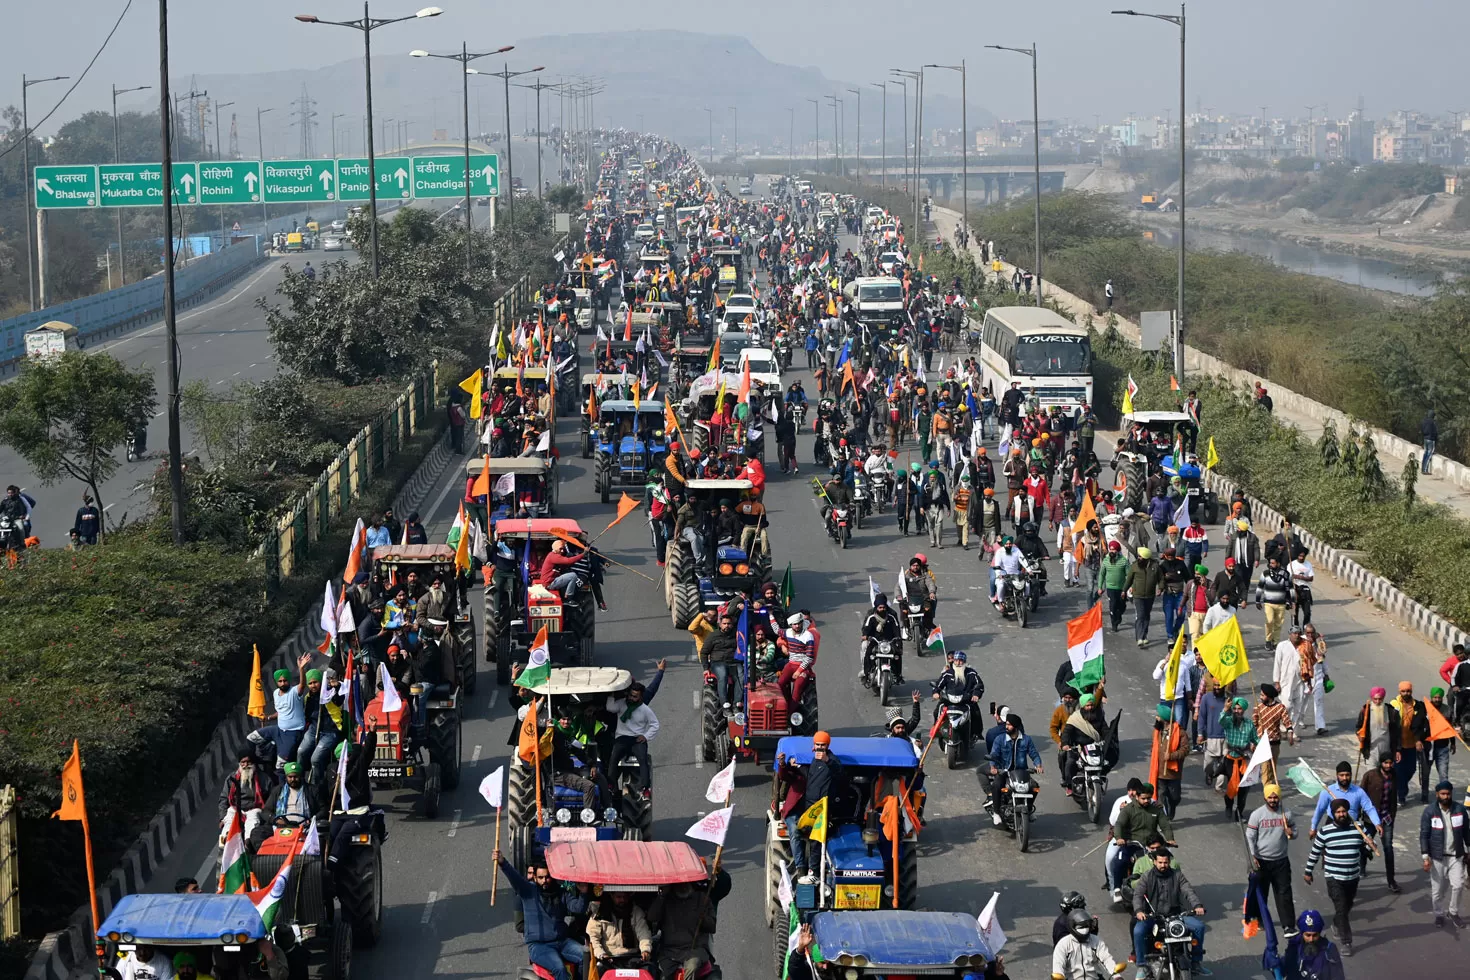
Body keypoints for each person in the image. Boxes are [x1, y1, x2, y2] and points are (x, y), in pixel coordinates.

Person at [494, 849, 585, 980]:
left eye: (547, 877)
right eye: (541, 878)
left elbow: (578, 908)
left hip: (563, 942)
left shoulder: (561, 892)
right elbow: (515, 878)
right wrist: (502, 862)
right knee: (558, 968)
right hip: (539, 946)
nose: (544, 881)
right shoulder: (528, 891)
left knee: (585, 957)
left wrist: (583, 893)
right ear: (535, 878)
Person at [777, 731, 847, 883]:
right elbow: (804, 776)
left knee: (817, 838)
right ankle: (801, 868)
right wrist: (793, 765)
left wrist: (828, 760)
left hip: (822, 809)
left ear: (827, 747)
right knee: (796, 832)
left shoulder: (832, 761)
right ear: (813, 746)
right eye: (818, 745)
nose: (820, 749)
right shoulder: (813, 763)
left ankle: (813, 872)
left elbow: (840, 774)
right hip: (805, 809)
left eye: (823, 746)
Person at [1130, 848, 1206, 979]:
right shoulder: (1147, 876)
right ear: (1154, 862)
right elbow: (1137, 895)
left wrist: (1197, 906)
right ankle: (1142, 965)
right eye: (1160, 862)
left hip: (1175, 916)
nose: (1163, 865)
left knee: (1199, 926)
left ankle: (1196, 962)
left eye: (1165, 862)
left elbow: (1188, 891)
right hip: (1153, 917)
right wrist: (1139, 911)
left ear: (1169, 862)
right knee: (1138, 931)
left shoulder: (1177, 875)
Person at [1303, 798, 1364, 957]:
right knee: (1341, 907)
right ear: (1333, 814)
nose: (1341, 814)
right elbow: (1315, 853)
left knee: (1347, 906)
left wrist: (1370, 843)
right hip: (1334, 877)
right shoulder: (1325, 832)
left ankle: (1338, 923)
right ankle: (1346, 942)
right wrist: (1308, 871)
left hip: (1353, 876)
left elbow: (1365, 846)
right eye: (1338, 812)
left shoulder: (1359, 828)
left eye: (1344, 811)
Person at [1246, 783, 1299, 933]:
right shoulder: (1257, 815)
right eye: (1270, 797)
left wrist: (1291, 832)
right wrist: (1253, 856)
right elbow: (1250, 836)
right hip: (1262, 861)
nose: (1273, 800)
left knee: (1284, 894)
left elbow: (1295, 832)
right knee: (1261, 894)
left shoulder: (1286, 814)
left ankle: (1288, 925)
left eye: (1276, 797)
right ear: (1265, 797)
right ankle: (1259, 920)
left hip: (1281, 861)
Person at [1420, 778, 1470, 927]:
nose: (1446, 797)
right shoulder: (1429, 812)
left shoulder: (1460, 810)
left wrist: (1469, 850)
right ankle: (1439, 914)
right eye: (1442, 794)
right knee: (1437, 892)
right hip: (1437, 858)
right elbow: (1424, 834)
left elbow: (1467, 833)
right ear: (1437, 795)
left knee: (1458, 885)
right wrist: (1425, 857)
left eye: (1448, 794)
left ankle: (1453, 912)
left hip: (1456, 856)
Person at [249, 654, 312, 767]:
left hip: (293, 733)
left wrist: (301, 669)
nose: (283, 683)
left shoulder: (294, 692)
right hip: (278, 730)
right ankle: (256, 763)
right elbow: (281, 712)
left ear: (289, 681)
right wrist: (267, 718)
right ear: (277, 682)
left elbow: (302, 685)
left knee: (281, 765)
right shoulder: (275, 694)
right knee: (251, 738)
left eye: (285, 680)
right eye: (280, 681)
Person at [987, 713, 1042, 826]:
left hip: (1021, 772)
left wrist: (1038, 765)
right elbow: (994, 754)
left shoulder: (1026, 740)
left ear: (1016, 727)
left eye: (1009, 725)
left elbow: (1034, 754)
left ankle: (1029, 809)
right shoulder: (1000, 739)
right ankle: (996, 813)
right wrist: (993, 767)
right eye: (1006, 724)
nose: (1006, 727)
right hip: (1004, 771)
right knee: (996, 786)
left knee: (1034, 787)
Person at [606, 682, 658, 794]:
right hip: (622, 737)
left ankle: (645, 788)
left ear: (640, 697)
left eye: (635, 696)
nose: (631, 698)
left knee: (643, 760)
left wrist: (646, 736)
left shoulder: (645, 710)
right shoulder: (621, 703)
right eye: (630, 695)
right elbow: (610, 708)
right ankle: (611, 784)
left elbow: (655, 724)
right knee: (613, 758)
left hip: (637, 740)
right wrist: (611, 694)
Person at [1360, 754, 1402, 892]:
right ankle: (1362, 867)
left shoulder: (1394, 775)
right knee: (1365, 844)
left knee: (1388, 849)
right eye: (1386, 763)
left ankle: (1391, 881)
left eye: (1390, 763)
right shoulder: (1370, 776)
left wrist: (1393, 815)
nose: (1388, 765)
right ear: (1381, 763)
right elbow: (1361, 794)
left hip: (1386, 817)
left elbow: (1394, 796)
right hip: (1370, 818)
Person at [1051, 907, 1124, 980]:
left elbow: (1106, 959)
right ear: (1072, 926)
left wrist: (1116, 975)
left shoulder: (1096, 940)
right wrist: (1059, 976)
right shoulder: (1063, 944)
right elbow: (1058, 965)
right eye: (1081, 926)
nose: (1084, 929)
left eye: (1086, 926)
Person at [586, 891, 654, 970]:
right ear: (611, 896)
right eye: (618, 897)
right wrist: (601, 954)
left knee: (649, 968)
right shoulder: (599, 913)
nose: (622, 900)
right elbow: (593, 938)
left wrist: (645, 950)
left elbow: (644, 933)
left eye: (625, 897)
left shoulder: (636, 911)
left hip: (633, 958)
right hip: (608, 959)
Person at [1390, 682, 1431, 803]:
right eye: (1403, 691)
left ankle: (1401, 788)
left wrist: (1418, 740)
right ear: (1399, 692)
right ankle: (1401, 795)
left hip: (1412, 744)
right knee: (1398, 770)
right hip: (1398, 744)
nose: (1406, 693)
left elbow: (1421, 724)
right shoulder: (1394, 705)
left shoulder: (1418, 706)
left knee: (1411, 769)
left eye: (1408, 691)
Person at [1277, 909, 1347, 980]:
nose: (1311, 939)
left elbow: (1338, 976)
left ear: (1319, 934)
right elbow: (1284, 969)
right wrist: (1276, 963)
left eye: (1315, 935)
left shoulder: (1329, 949)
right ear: (1302, 933)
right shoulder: (1294, 947)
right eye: (1308, 935)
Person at [1354, 686, 1401, 770]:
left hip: (1387, 749)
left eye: (1380, 699)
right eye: (1375, 699)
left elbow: (1397, 732)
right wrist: (1359, 735)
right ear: (1372, 698)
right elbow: (1358, 727)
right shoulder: (1366, 711)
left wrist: (1398, 750)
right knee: (1372, 775)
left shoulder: (1391, 711)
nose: (1378, 701)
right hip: (1371, 750)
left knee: (1385, 776)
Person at [862, 594, 904, 685]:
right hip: (876, 641)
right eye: (880, 607)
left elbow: (896, 629)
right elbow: (866, 628)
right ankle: (867, 675)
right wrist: (865, 635)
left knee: (897, 655)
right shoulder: (871, 617)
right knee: (868, 654)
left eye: (883, 607)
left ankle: (898, 675)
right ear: (876, 607)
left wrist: (898, 640)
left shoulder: (891, 616)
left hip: (889, 642)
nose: (882, 609)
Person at [271, 761, 316, 827]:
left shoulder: (311, 790)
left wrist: (312, 819)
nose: (293, 779)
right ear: (286, 777)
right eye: (290, 777)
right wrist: (276, 820)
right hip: (282, 826)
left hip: (305, 826)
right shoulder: (278, 790)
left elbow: (323, 809)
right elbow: (266, 811)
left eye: (295, 777)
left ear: (300, 776)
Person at [1099, 542, 1130, 632]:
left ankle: (1119, 616)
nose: (1112, 551)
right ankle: (1114, 624)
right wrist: (1100, 587)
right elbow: (1101, 574)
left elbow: (1128, 575)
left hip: (1121, 588)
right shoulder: (1106, 561)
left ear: (1118, 550)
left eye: (1114, 549)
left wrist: (1130, 586)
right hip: (1110, 588)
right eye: (1110, 549)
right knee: (1112, 606)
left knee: (1121, 606)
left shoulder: (1123, 561)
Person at [1421, 408, 1438, 474]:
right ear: (1433, 416)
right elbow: (1435, 432)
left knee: (1425, 453)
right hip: (1431, 439)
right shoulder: (1433, 422)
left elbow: (1422, 430)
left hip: (1425, 438)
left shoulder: (1424, 421)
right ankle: (1425, 470)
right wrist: (1436, 440)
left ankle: (1422, 468)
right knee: (1429, 454)